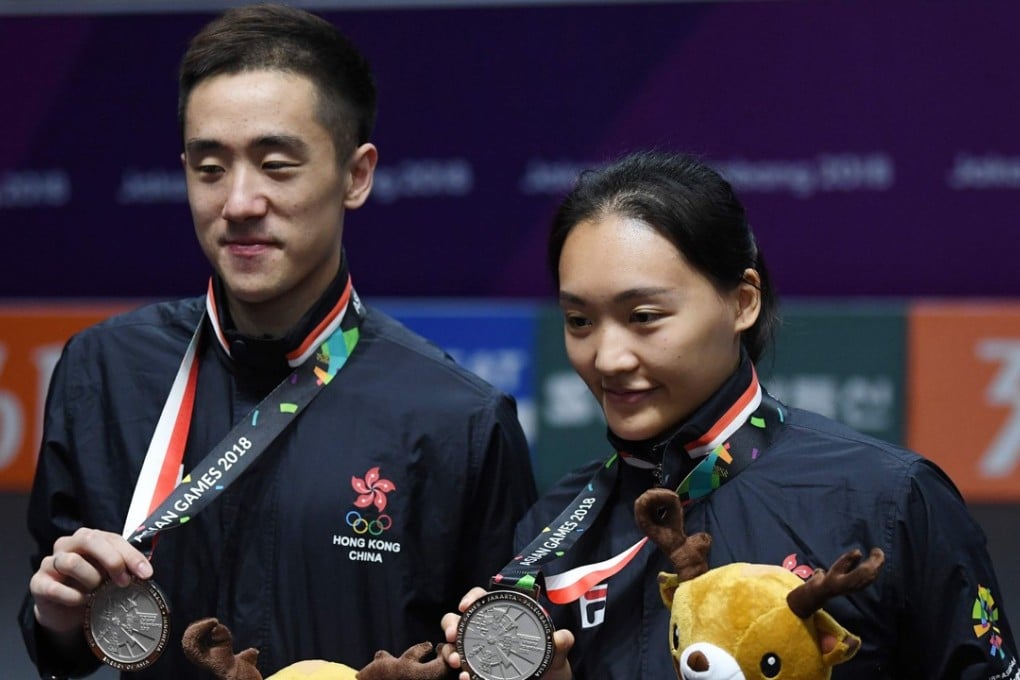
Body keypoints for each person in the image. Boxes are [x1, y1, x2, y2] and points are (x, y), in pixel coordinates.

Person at [19, 5, 536, 679]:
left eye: (276, 164)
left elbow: (509, 654)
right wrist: (58, 618)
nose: (238, 202)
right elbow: (56, 633)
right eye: (209, 167)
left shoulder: (458, 419)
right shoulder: (104, 371)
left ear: (356, 175)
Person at [442, 150, 1017, 679]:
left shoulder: (888, 499)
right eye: (579, 321)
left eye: (643, 316)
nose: (608, 358)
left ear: (743, 301)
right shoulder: (549, 530)